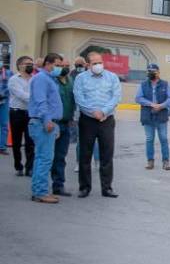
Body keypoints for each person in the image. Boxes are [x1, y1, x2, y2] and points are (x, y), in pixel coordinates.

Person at [73, 50, 121, 198]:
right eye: (95, 63)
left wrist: (104, 111)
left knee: (107, 154)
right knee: (85, 155)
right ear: (88, 65)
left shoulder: (112, 77)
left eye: (100, 62)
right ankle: (84, 187)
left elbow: (116, 96)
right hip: (88, 120)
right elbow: (79, 97)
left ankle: (107, 188)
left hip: (106, 120)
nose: (98, 65)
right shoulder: (81, 78)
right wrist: (93, 112)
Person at [27, 53, 64, 204]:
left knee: (41, 158)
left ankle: (38, 190)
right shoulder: (42, 79)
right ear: (48, 64)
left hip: (47, 123)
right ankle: (40, 192)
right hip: (42, 123)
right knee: (45, 159)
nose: (60, 68)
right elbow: (41, 101)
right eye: (57, 65)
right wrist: (48, 121)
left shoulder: (49, 79)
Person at [137, 62, 170, 170]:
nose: (151, 73)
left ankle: (166, 161)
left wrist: (161, 106)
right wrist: (151, 104)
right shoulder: (143, 84)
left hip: (161, 116)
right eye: (149, 71)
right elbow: (138, 98)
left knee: (164, 138)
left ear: (158, 72)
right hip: (148, 116)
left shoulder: (165, 84)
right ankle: (150, 161)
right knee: (149, 139)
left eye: (153, 71)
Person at [50, 62, 76, 196]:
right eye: (61, 65)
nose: (65, 67)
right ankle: (40, 186)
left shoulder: (70, 80)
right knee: (47, 156)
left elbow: (73, 100)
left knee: (61, 156)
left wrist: (72, 118)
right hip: (53, 123)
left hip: (66, 123)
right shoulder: (51, 80)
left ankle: (58, 185)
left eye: (67, 64)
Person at [7, 55, 35, 176]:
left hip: (30, 114)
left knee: (30, 142)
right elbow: (21, 95)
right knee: (17, 142)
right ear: (20, 65)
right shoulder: (13, 80)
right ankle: (18, 165)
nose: (30, 66)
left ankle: (29, 167)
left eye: (31, 63)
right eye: (27, 63)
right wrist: (36, 99)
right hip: (17, 113)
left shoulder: (35, 79)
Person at [0, 61, 10, 156]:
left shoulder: (7, 73)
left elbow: (10, 85)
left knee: (3, 125)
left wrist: (3, 94)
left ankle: (2, 147)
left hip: (4, 101)